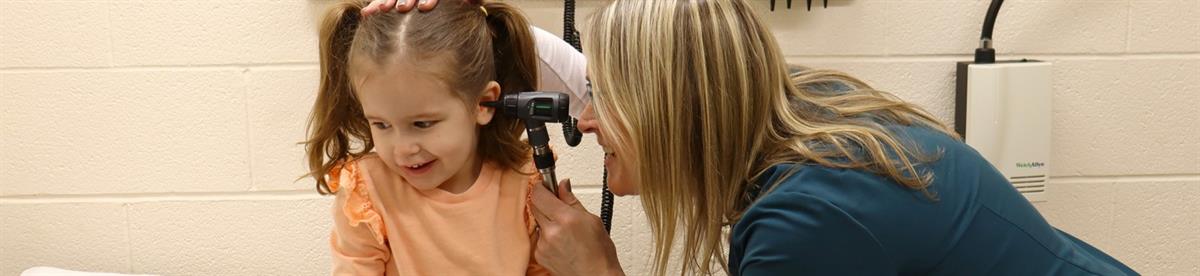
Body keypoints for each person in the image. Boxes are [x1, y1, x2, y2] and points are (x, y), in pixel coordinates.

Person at [366, 0, 1138, 275]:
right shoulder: (801, 110)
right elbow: (602, 75)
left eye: (608, 101)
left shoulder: (808, 220)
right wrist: (467, 16)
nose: (586, 119)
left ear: (676, 113)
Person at [303, 0, 583, 274]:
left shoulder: (523, 183)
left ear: (483, 104)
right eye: (381, 125)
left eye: (422, 124)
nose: (402, 149)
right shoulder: (369, 192)